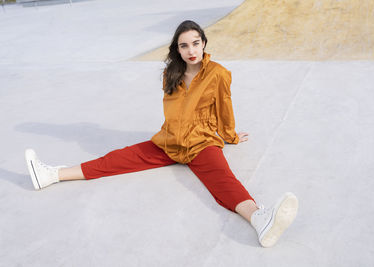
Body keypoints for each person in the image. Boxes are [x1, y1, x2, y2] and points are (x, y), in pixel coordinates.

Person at [24, 20, 298, 248]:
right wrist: (171, 138)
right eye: (184, 45)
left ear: (204, 43)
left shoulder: (218, 74)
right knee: (116, 159)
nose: (191, 50)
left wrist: (231, 136)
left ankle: (261, 220)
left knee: (223, 181)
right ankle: (52, 175)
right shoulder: (171, 74)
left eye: (195, 43)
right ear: (177, 49)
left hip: (201, 143)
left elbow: (225, 108)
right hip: (168, 142)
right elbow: (173, 112)